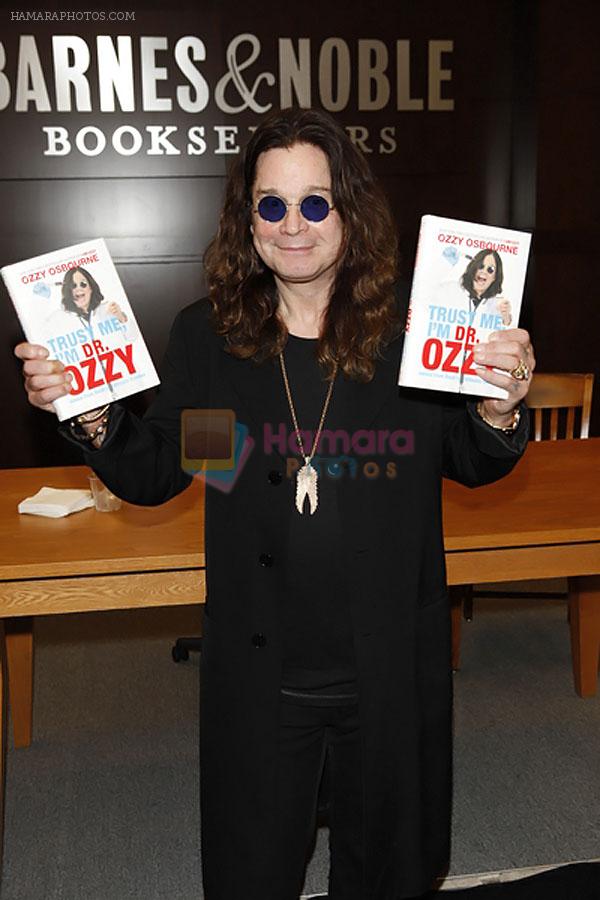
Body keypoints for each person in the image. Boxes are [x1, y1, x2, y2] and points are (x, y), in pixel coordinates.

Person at [15, 108, 535, 900]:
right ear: (246, 218)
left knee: (389, 872)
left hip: (388, 664)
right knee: (252, 874)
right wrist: (90, 413)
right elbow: (166, 471)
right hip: (262, 672)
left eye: (315, 203)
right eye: (271, 205)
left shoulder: (409, 333)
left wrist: (498, 409)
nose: (293, 225)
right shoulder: (216, 341)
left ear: (350, 214)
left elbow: (467, 459)